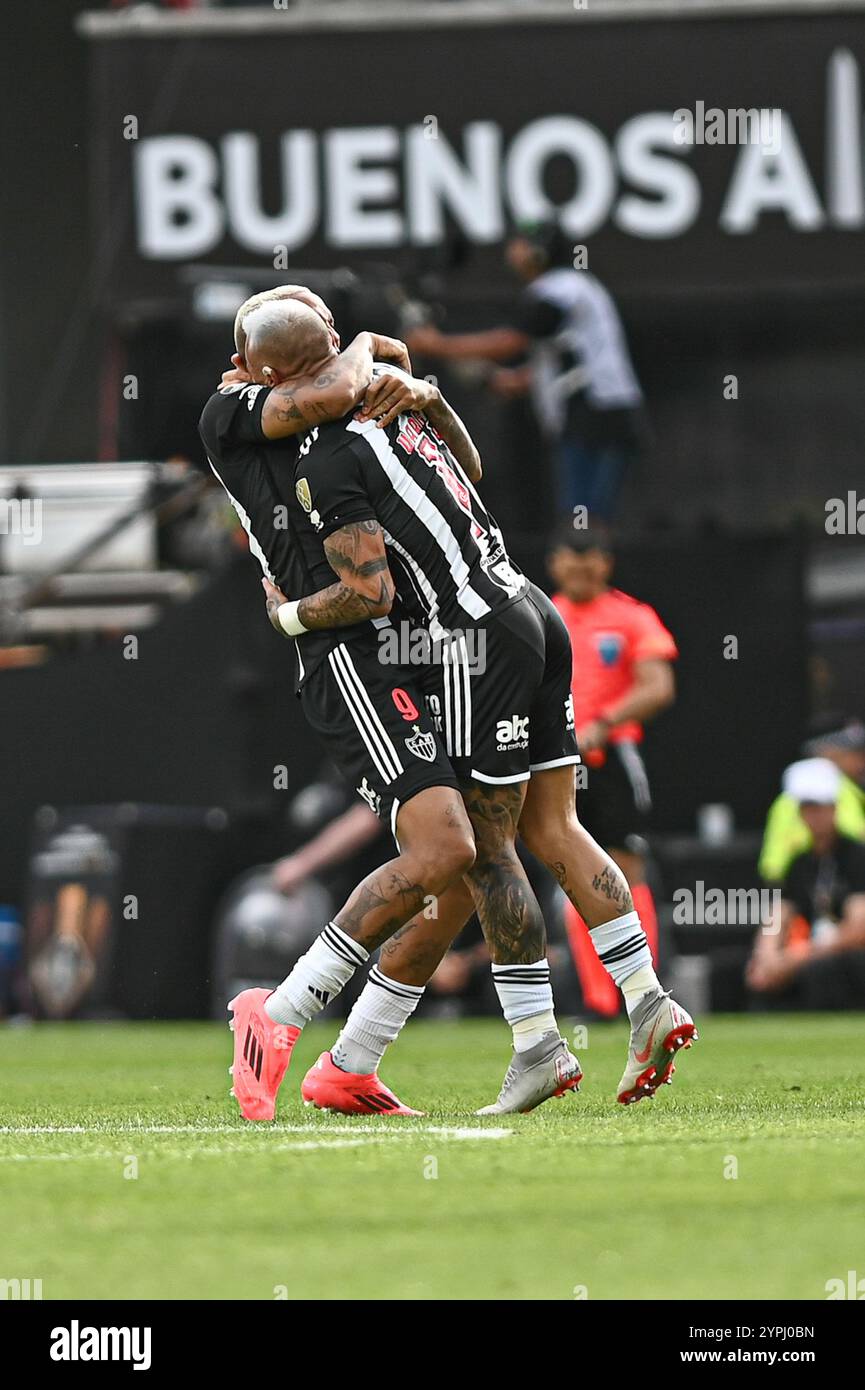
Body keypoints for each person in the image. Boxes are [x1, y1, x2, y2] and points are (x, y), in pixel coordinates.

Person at [247, 306, 696, 1112]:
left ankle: (538, 1045)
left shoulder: (324, 453)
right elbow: (474, 466)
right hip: (530, 608)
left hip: (470, 639)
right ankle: (646, 998)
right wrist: (424, 391)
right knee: (553, 829)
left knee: (484, 852)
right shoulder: (396, 397)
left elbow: (369, 590)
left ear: (280, 380)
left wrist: (283, 614)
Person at [199, 292, 484, 1120]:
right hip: (347, 654)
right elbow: (327, 389)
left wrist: (418, 386)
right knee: (443, 850)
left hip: (410, 643)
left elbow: (463, 467)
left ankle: (351, 1062)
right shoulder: (233, 407)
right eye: (326, 338)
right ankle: (278, 1012)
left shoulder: (327, 395)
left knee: (465, 866)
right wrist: (361, 344)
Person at [407, 220, 644, 519]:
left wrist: (436, 344)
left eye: (519, 243)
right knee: (587, 515)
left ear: (538, 250)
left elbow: (511, 342)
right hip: (599, 413)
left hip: (595, 416)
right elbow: (567, 357)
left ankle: (586, 563)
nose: (512, 252)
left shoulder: (560, 289)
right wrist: (516, 381)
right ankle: (588, 558)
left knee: (585, 518)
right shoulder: (574, 287)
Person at [547, 523, 677, 1016]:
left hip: (612, 759)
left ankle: (642, 993)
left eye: (591, 558)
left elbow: (658, 686)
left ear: (606, 562)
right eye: (571, 558)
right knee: (570, 874)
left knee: (628, 868)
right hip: (556, 762)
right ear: (556, 562)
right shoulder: (543, 613)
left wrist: (603, 723)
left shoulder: (631, 617)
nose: (581, 568)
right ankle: (599, 999)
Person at [747, 758, 865, 1007]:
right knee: (750, 973)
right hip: (810, 950)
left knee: (825, 970)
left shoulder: (857, 856)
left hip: (843, 957)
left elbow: (857, 929)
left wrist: (796, 958)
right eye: (807, 808)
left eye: (820, 807)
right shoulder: (799, 863)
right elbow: (779, 915)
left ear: (834, 808)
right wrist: (765, 957)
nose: (814, 816)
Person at [759, 714, 865, 883]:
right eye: (853, 753)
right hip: (803, 889)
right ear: (827, 750)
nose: (861, 762)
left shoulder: (852, 790)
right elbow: (773, 869)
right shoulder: (838, 792)